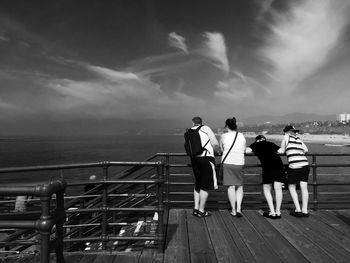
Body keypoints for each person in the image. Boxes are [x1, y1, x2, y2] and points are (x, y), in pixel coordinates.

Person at [246, 135, 285, 219]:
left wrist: (255, 151)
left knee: (267, 188)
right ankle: (278, 212)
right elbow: (281, 151)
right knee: (278, 189)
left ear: (257, 140)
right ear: (264, 139)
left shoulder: (256, 144)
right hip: (279, 166)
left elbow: (247, 151)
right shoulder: (270, 143)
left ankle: (272, 212)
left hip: (268, 167)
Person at [189, 116, 219, 218]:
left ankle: (196, 208)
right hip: (206, 158)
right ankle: (201, 211)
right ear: (201, 122)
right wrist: (217, 151)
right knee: (205, 185)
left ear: (192, 123)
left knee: (198, 184)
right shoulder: (205, 128)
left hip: (194, 160)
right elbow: (215, 143)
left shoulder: (190, 131)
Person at [278, 125, 310, 217]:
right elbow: (306, 150)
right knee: (304, 187)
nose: (295, 133)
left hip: (295, 166)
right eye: (294, 131)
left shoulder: (286, 137)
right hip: (305, 165)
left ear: (286, 132)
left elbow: (282, 151)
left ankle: (298, 210)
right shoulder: (298, 139)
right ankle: (305, 211)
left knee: (291, 187)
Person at [219, 117, 246, 217]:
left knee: (231, 187)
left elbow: (221, 149)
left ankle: (233, 210)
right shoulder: (241, 135)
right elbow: (243, 149)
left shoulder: (223, 136)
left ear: (226, 126)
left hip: (228, 162)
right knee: (239, 186)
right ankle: (239, 209)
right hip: (239, 163)